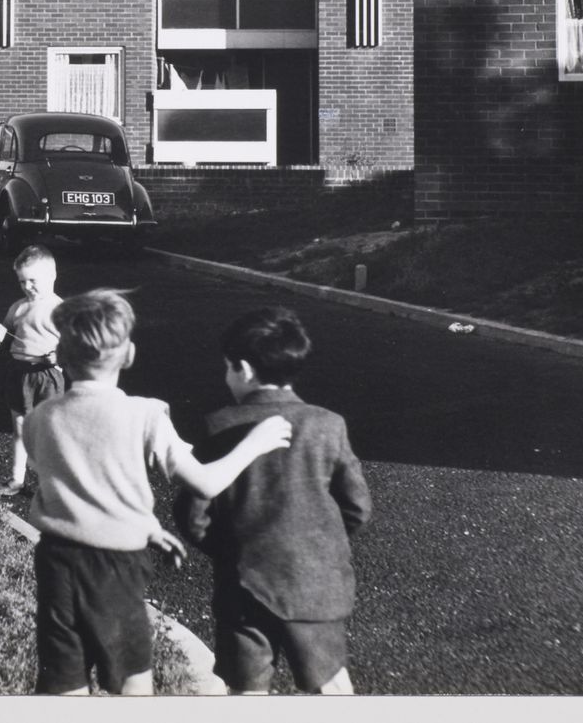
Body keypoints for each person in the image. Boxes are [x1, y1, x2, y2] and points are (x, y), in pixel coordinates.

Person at [22, 289, 293, 696]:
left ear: (61, 355)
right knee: (132, 678)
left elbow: (83, 482)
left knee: (64, 678)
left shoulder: (40, 417)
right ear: (128, 354)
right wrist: (254, 444)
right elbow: (204, 482)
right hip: (116, 568)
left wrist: (146, 524)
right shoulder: (146, 414)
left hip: (56, 560)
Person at [174, 306, 372, 696]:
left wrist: (227, 549)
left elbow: (192, 513)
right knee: (330, 685)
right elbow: (357, 507)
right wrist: (320, 541)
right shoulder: (327, 425)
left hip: (244, 581)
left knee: (246, 689)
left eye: (228, 367)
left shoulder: (219, 427)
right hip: (315, 583)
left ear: (244, 369)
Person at [0, 245, 65, 498]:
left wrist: (60, 355)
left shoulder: (60, 309)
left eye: (33, 280)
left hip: (48, 376)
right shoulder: (18, 308)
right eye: (22, 281)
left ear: (52, 276)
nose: (27, 286)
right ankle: (16, 479)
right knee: (20, 429)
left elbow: (76, 345)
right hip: (19, 374)